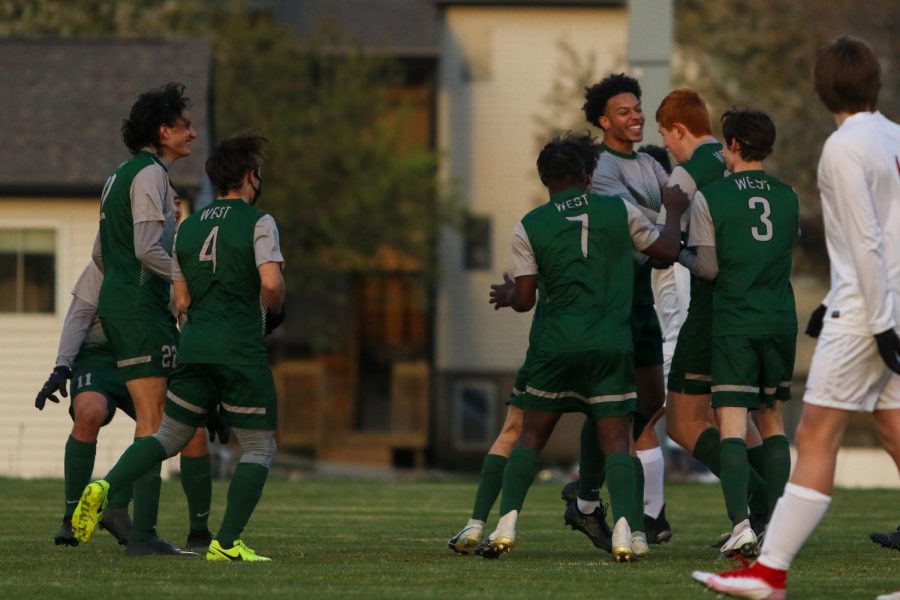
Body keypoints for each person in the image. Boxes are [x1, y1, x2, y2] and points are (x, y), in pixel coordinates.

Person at [694, 36, 900, 600]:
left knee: (814, 434)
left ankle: (768, 571)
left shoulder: (842, 147)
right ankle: (769, 570)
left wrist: (877, 322)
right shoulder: (894, 137)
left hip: (866, 314)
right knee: (892, 431)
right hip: (876, 303)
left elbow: (866, 238)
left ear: (821, 86)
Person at [73, 131, 285, 562]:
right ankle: (225, 543)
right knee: (260, 447)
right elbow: (270, 283)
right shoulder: (260, 221)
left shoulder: (188, 227)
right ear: (250, 176)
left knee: (169, 433)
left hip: (192, 345)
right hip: (239, 347)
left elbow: (182, 299)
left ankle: (107, 486)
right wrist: (272, 310)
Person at [475, 132, 688, 562]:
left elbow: (526, 300)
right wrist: (674, 211)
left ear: (544, 179)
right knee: (617, 441)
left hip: (555, 345)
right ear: (589, 174)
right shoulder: (618, 209)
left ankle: (505, 525)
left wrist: (507, 292)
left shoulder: (529, 224)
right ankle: (627, 533)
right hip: (611, 342)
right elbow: (666, 252)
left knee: (530, 437)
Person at [84, 82, 198, 555]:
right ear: (164, 130)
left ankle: (123, 508)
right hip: (138, 306)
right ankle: (134, 523)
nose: (192, 133)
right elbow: (147, 248)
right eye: (185, 125)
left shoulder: (118, 175)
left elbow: (99, 252)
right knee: (157, 420)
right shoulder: (151, 176)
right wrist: (181, 280)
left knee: (156, 419)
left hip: (122, 301)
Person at [564, 73, 676, 548]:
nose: (636, 117)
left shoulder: (649, 166)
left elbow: (678, 211)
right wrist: (671, 217)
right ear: (604, 120)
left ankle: (587, 491)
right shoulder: (601, 167)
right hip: (612, 294)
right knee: (612, 405)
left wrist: (674, 216)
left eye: (638, 108)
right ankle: (597, 498)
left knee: (651, 402)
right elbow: (644, 225)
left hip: (641, 291)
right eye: (625, 111)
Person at [35, 259, 215, 550]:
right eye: (167, 209)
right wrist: (61, 368)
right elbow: (79, 317)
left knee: (192, 430)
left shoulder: (177, 266)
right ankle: (72, 518)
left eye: (176, 209)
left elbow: (187, 321)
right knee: (89, 412)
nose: (173, 212)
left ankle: (198, 531)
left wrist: (205, 383)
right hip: (101, 359)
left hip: (151, 355)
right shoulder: (105, 263)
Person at [658, 90, 773, 542]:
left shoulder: (688, 173)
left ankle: (757, 500)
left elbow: (667, 243)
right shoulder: (741, 162)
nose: (665, 144)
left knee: (682, 421)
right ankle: (772, 510)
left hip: (705, 305)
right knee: (742, 419)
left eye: (666, 134)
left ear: (680, 129)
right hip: (756, 302)